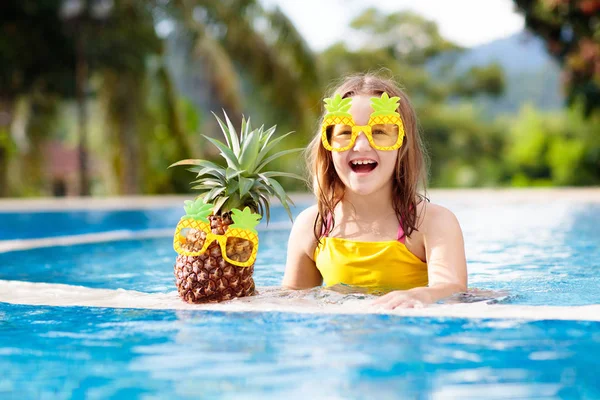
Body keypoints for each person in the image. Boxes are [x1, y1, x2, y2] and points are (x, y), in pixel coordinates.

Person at [282, 73, 467, 309]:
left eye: (380, 132)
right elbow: (292, 305)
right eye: (345, 133)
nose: (361, 145)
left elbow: (453, 289)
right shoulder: (314, 226)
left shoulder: (432, 223)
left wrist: (421, 295)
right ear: (327, 147)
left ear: (402, 145)